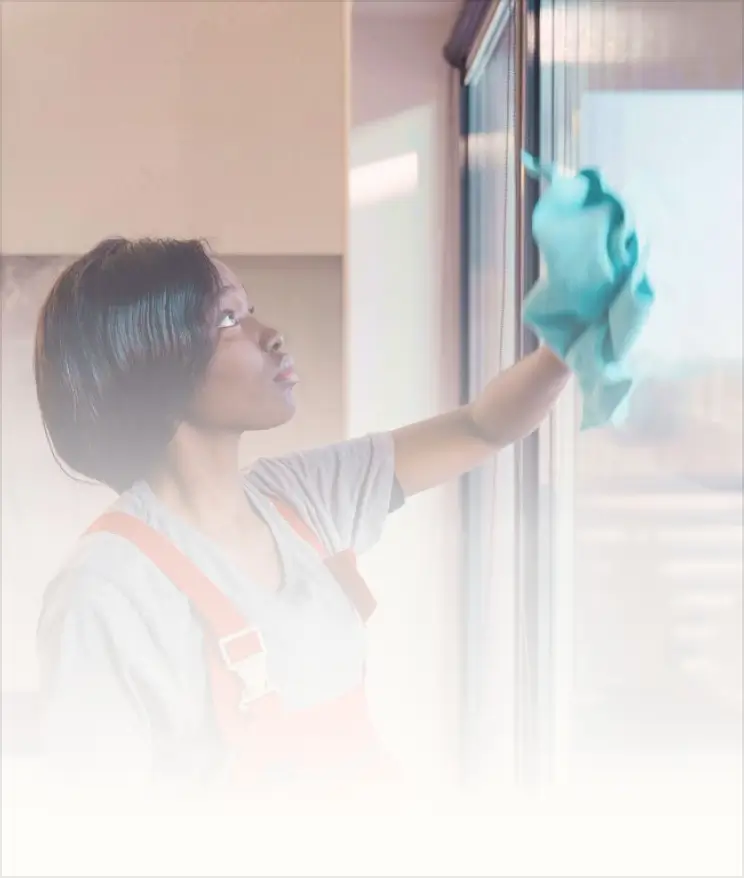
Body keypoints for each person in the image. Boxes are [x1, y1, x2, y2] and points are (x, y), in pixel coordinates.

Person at [34, 237, 569, 804]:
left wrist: (562, 353)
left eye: (250, 308)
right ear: (154, 365)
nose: (271, 335)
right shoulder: (104, 590)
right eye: (228, 318)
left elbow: (481, 429)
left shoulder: (295, 498)